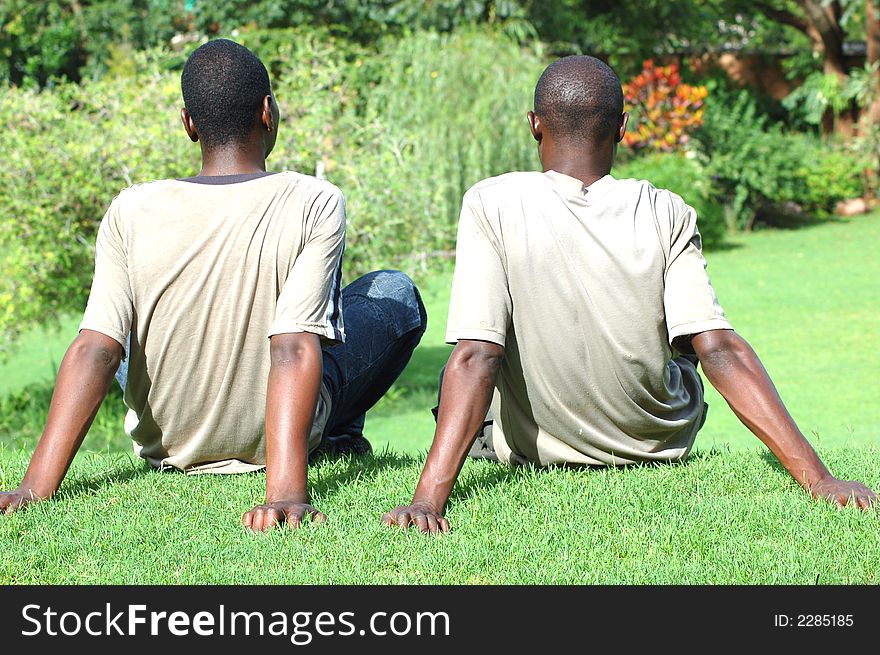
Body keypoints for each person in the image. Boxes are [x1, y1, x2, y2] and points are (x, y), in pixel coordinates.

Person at [382, 55, 877, 534]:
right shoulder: (666, 210)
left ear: (535, 125)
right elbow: (718, 348)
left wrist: (426, 500)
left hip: (541, 448)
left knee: (472, 369)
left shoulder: (492, 202)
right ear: (622, 127)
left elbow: (477, 356)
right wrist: (821, 479)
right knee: (684, 353)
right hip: (659, 440)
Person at [0, 39, 427, 532]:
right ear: (268, 112)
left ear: (189, 124)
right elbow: (292, 344)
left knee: (121, 330)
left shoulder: (131, 209)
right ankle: (334, 431)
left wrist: (33, 488)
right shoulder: (314, 200)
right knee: (393, 293)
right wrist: (286, 493)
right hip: (275, 436)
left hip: (169, 441)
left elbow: (97, 349)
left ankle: (335, 434)